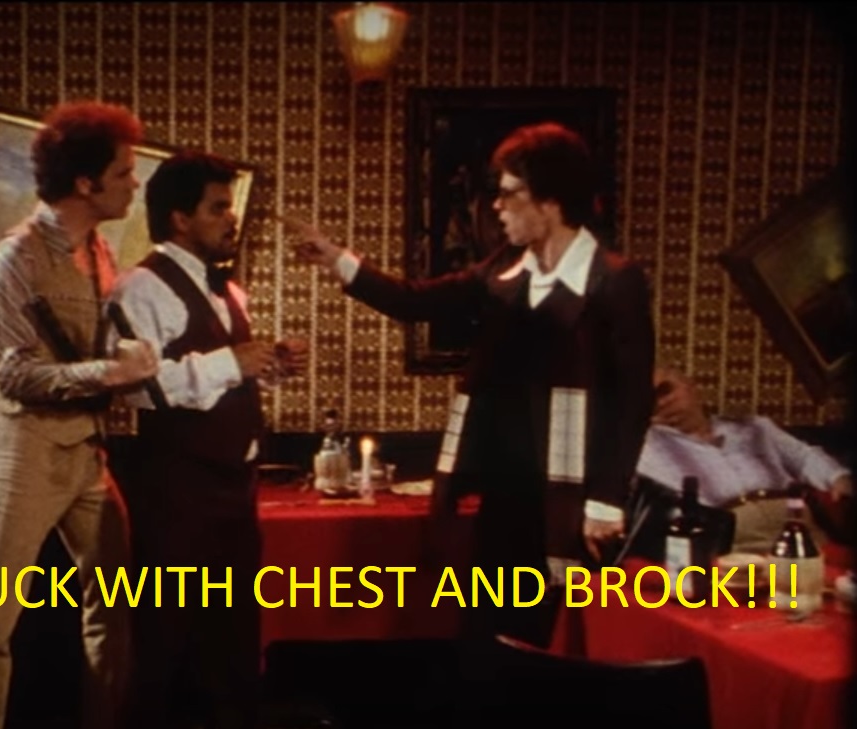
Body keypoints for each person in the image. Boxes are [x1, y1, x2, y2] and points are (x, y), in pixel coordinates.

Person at [286, 121, 656, 651]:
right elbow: (416, 300)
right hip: (505, 486)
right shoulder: (504, 268)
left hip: (568, 492)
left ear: (550, 199)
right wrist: (336, 259)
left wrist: (606, 500)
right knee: (487, 630)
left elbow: (631, 401)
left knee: (554, 637)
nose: (496, 207)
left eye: (509, 193)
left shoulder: (613, 280)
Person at [0, 100, 159, 729]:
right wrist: (107, 373)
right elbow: (17, 374)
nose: (135, 184)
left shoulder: (100, 251)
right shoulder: (16, 257)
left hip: (86, 447)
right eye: (124, 172)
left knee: (117, 599)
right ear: (85, 183)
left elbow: (92, 349)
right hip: (26, 445)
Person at [106, 150, 306, 729]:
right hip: (176, 492)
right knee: (164, 642)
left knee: (233, 643)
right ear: (179, 218)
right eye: (218, 208)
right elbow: (140, 389)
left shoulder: (228, 291)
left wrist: (267, 363)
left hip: (235, 491)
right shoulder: (138, 288)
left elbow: (219, 376)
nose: (231, 218)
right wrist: (230, 362)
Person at [635, 366, 852, 554]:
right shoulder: (645, 447)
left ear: (691, 386)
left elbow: (805, 457)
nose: (661, 403)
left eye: (666, 390)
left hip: (797, 521)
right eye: (649, 398)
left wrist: (838, 477)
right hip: (733, 533)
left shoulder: (756, 427)